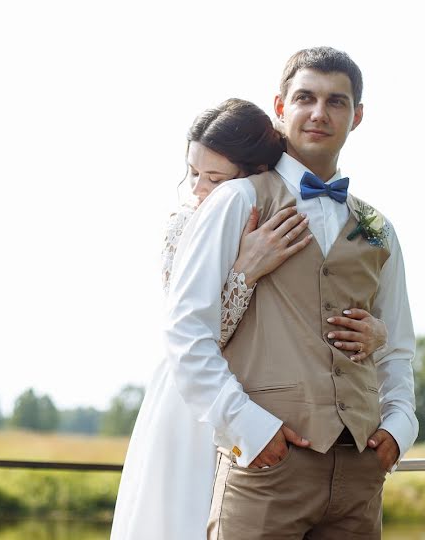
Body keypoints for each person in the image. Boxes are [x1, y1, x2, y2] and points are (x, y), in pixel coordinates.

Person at [164, 48, 418, 539]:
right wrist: (249, 431)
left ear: (357, 116)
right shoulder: (236, 201)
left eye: (336, 102)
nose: (319, 113)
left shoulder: (379, 229)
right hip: (266, 470)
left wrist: (399, 425)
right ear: (280, 107)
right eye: (305, 98)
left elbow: (400, 346)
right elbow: (185, 332)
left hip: (360, 476)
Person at [110, 98, 388, 539]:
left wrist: (378, 332)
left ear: (255, 174)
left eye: (214, 178)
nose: (198, 189)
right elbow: (194, 332)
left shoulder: (276, 208)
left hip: (264, 405)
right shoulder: (184, 223)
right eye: (193, 172)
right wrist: (246, 272)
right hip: (196, 398)